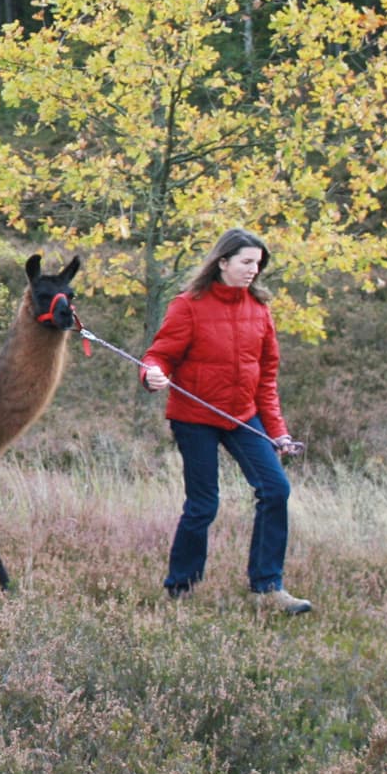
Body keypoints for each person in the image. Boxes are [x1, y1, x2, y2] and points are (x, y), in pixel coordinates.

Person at [142, 227, 311, 614]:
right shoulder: (188, 305)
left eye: (258, 264)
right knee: (204, 504)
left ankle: (268, 587)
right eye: (246, 262)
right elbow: (159, 356)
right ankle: (180, 588)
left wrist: (279, 433)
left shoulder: (260, 309)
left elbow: (266, 380)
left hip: (243, 416)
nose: (253, 270)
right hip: (194, 418)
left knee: (276, 489)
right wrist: (151, 374)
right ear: (222, 262)